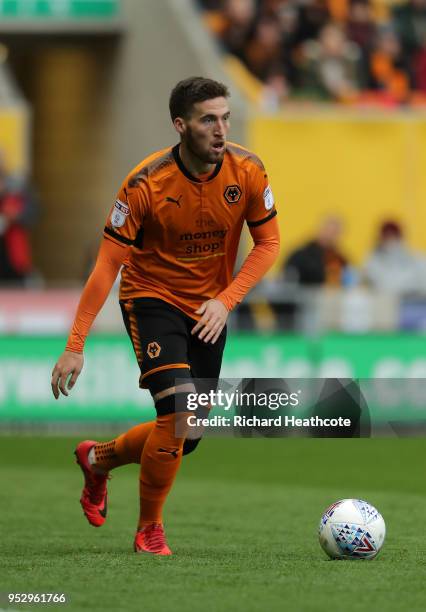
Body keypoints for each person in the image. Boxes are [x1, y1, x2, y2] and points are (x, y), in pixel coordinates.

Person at [50, 77, 280, 556]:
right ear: (181, 125)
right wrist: (76, 343)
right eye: (208, 120)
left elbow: (269, 244)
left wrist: (226, 299)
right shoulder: (144, 184)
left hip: (209, 308)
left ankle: (96, 459)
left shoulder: (249, 171)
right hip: (151, 299)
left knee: (187, 434)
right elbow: (106, 267)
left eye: (226, 118)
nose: (221, 130)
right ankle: (149, 530)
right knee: (175, 416)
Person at [284, 216, 347, 286]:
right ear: (321, 230)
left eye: (335, 233)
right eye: (328, 231)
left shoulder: (338, 258)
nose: (330, 236)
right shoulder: (301, 256)